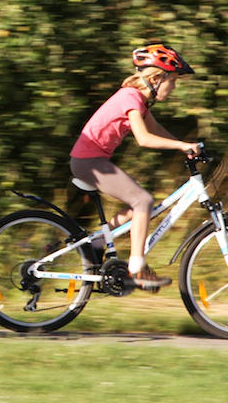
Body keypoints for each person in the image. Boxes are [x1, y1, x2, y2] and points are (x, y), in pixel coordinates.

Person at [69, 44, 200, 290]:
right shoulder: (131, 97)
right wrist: (181, 146)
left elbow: (156, 129)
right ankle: (137, 268)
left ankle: (96, 243)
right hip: (89, 162)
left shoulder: (138, 99)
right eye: (172, 81)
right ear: (157, 78)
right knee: (143, 201)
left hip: (91, 160)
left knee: (145, 209)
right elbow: (144, 138)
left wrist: (185, 145)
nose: (173, 88)